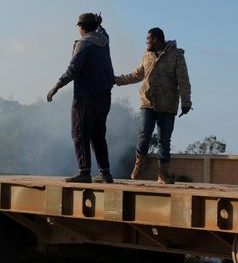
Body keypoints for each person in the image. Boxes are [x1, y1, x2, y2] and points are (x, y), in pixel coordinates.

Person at [115, 27, 192, 184]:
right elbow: (137, 74)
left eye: (148, 39)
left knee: (164, 140)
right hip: (148, 102)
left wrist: (186, 102)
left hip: (167, 104)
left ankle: (163, 173)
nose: (146, 42)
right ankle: (139, 164)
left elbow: (183, 80)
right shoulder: (147, 55)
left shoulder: (176, 55)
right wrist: (118, 80)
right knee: (144, 134)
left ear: (156, 40)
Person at [47, 13, 115, 183]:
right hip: (105, 95)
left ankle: (84, 172)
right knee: (98, 134)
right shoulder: (104, 40)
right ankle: (105, 173)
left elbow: (73, 70)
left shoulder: (84, 44)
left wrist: (56, 86)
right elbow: (103, 31)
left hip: (86, 96)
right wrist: (99, 24)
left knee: (80, 132)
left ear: (82, 27)